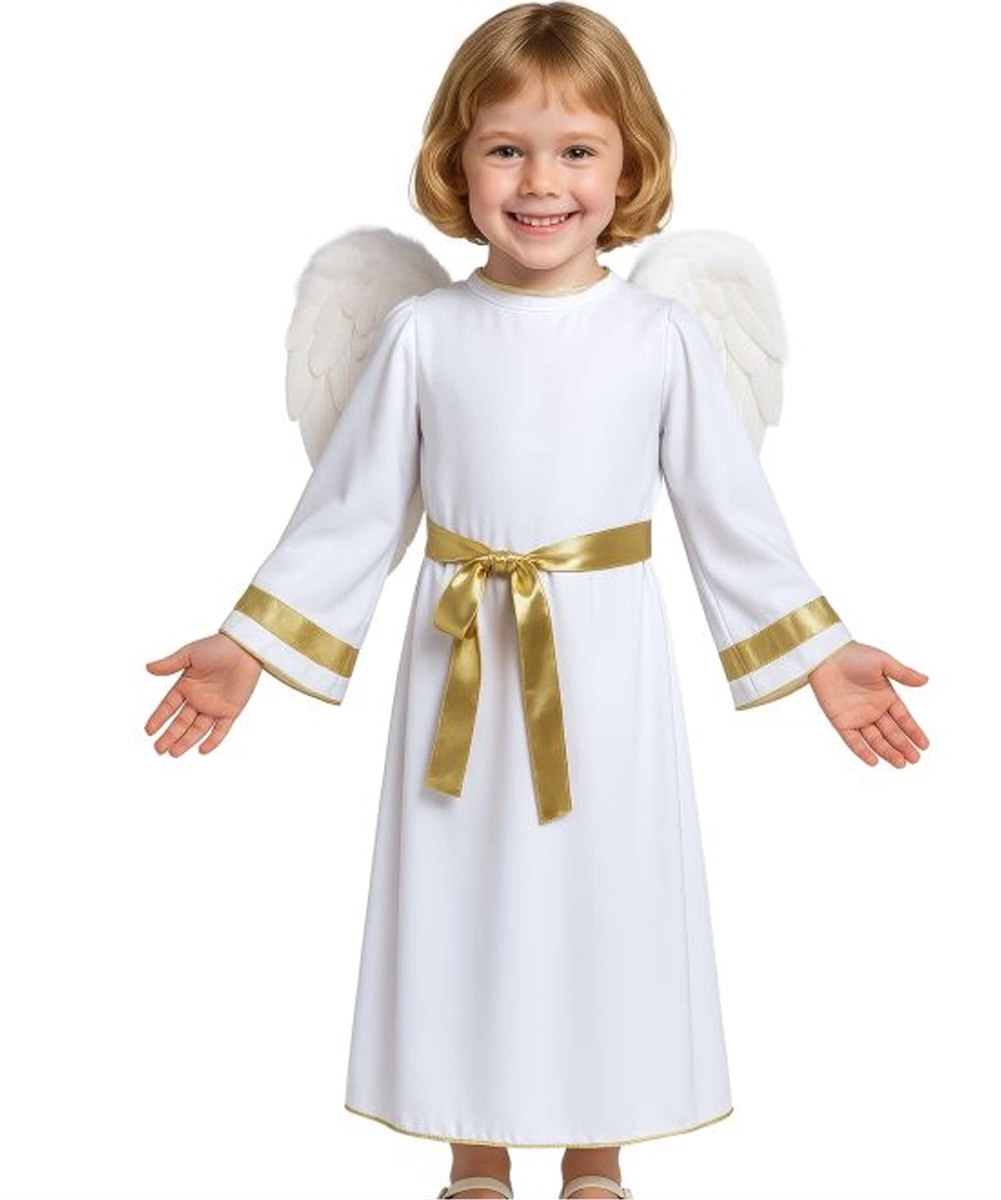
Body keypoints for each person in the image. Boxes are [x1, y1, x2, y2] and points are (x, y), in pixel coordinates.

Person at [143, 4, 930, 1197]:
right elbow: (354, 507)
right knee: (464, 890)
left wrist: (821, 652)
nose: (540, 183)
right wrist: (250, 641)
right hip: (457, 656)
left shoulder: (661, 334)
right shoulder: (422, 331)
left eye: (576, 151)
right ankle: (475, 1150)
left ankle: (595, 1149)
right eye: (506, 148)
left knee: (599, 888)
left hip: (604, 665)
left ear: (630, 167)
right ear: (455, 162)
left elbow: (728, 511)